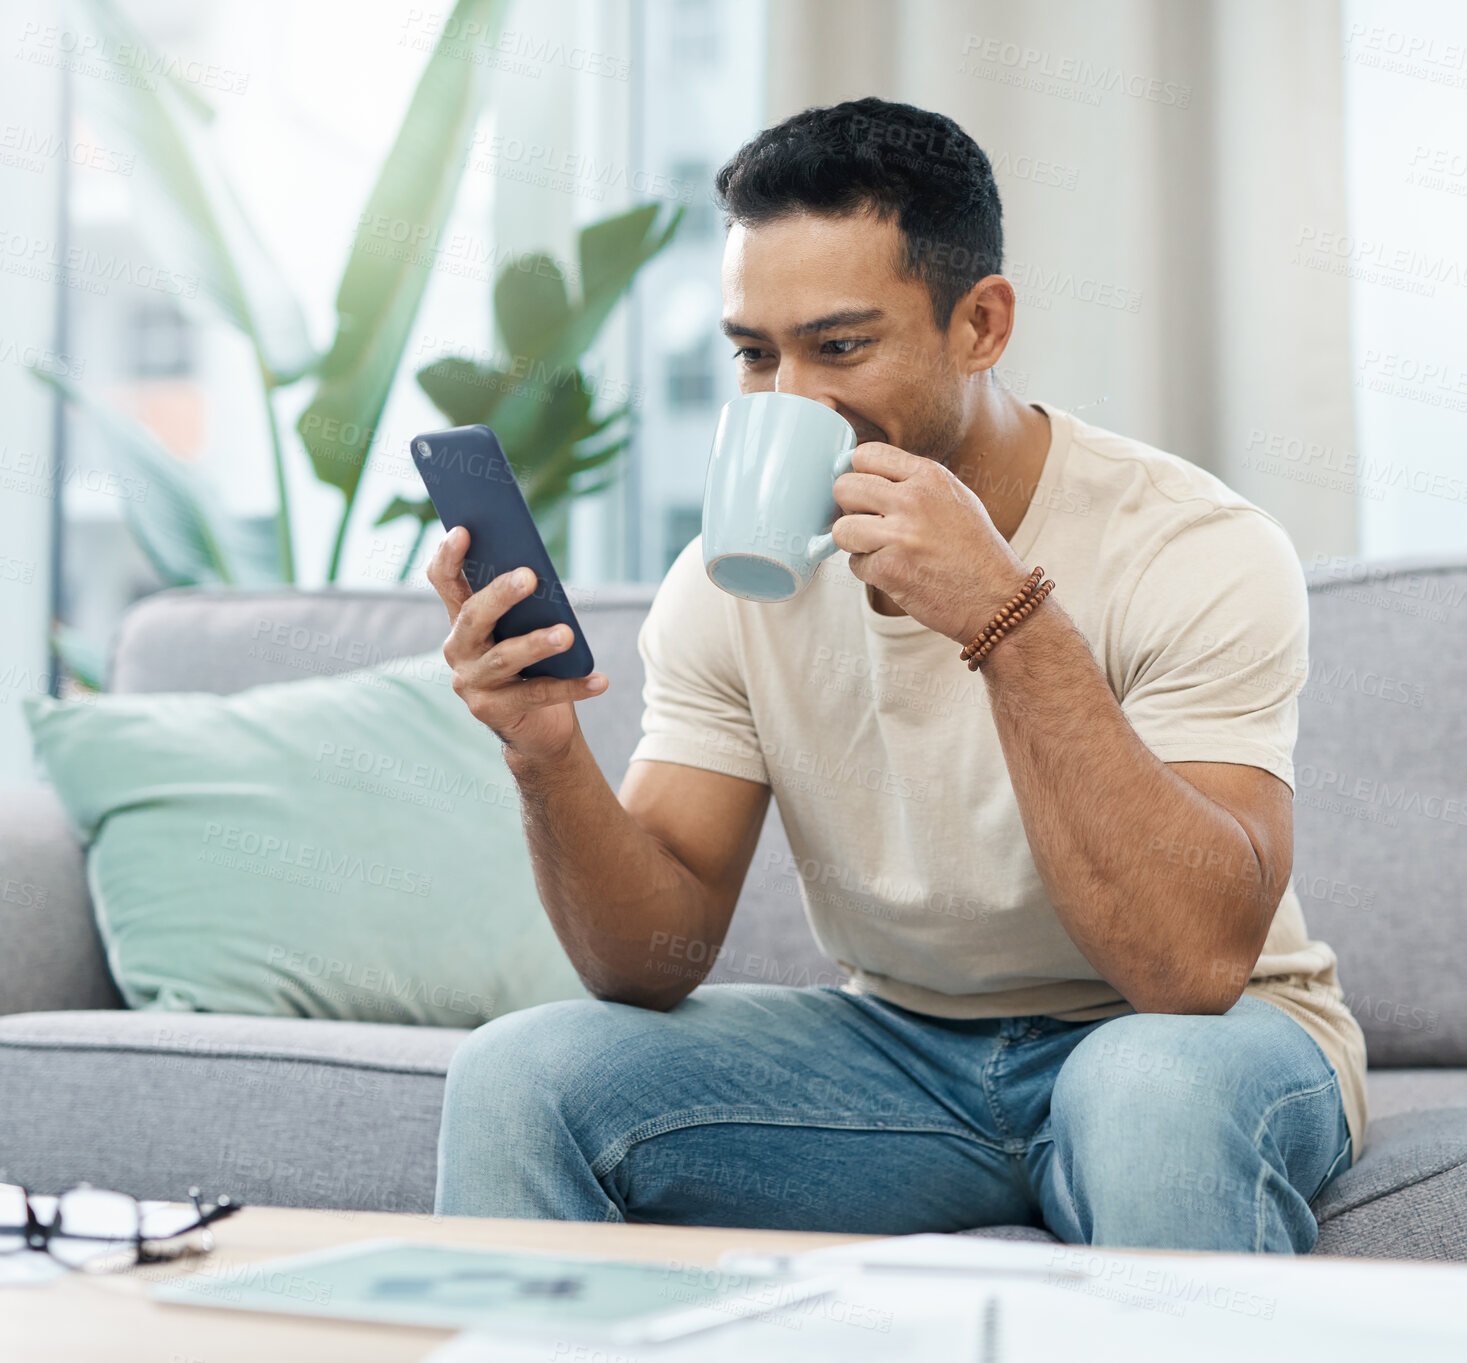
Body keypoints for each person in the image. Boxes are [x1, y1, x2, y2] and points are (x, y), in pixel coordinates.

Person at [426, 96, 1365, 1252]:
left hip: (1200, 1035)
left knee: (1146, 1093)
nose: (789, 402)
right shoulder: (727, 579)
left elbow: (1190, 965)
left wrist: (1004, 620)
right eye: (755, 355)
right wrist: (546, 755)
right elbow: (644, 956)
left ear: (981, 324)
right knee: (524, 1075)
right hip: (902, 1059)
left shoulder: (1196, 546)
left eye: (840, 346)